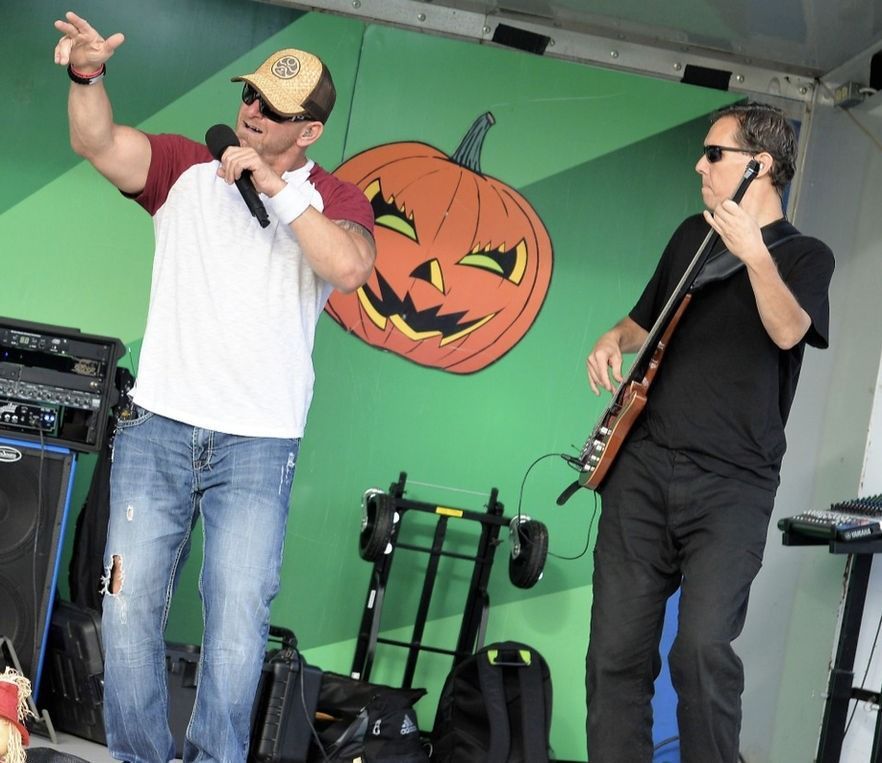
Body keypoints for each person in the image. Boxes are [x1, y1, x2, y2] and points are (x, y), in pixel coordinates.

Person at [53, 11, 375, 763]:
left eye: (272, 108)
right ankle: (138, 756)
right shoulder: (183, 169)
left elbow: (351, 267)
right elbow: (95, 142)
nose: (252, 111)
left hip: (259, 442)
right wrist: (86, 75)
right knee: (127, 608)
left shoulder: (336, 199)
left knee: (237, 622)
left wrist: (277, 189)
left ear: (310, 132)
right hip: (160, 424)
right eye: (250, 96)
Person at [584, 102, 834, 762]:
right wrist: (613, 338)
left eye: (713, 154)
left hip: (731, 486)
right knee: (613, 658)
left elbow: (789, 330)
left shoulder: (807, 255)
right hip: (644, 470)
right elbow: (643, 321)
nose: (700, 164)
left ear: (761, 166)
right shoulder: (689, 238)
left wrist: (755, 255)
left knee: (700, 651)